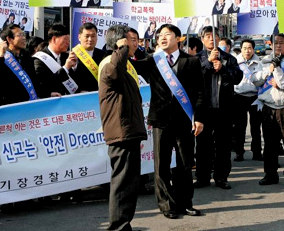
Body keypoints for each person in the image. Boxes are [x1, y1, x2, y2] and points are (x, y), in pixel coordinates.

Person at [136, 24, 205, 219]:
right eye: (160, 35)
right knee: (162, 165)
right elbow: (131, 66)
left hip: (184, 120)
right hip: (160, 120)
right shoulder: (153, 61)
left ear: (179, 38)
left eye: (168, 34)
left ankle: (185, 203)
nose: (163, 38)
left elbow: (200, 91)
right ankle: (166, 205)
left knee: (184, 164)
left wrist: (199, 118)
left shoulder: (191, 61)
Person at [98, 24, 147, 231]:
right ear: (120, 43)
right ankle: (118, 227)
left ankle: (123, 224)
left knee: (129, 183)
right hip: (120, 132)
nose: (134, 44)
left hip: (128, 131)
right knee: (122, 182)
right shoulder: (110, 63)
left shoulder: (124, 63)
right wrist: (121, 49)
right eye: (130, 40)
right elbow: (115, 74)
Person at [194, 26, 243, 189]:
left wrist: (223, 69)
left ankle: (222, 177)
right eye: (207, 36)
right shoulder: (196, 59)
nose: (210, 39)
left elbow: (237, 77)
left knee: (223, 145)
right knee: (203, 145)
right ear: (202, 39)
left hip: (224, 108)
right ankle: (203, 176)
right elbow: (194, 78)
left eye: (214, 36)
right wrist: (208, 63)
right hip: (203, 110)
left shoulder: (229, 59)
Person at [252, 34, 284, 187]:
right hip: (269, 107)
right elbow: (255, 80)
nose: (278, 46)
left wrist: (278, 78)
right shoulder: (264, 60)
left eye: (281, 43)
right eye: (275, 43)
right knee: (270, 144)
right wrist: (267, 71)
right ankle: (270, 174)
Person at [233, 39, 262, 161]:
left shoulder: (259, 62)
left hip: (255, 96)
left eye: (249, 48)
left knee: (256, 127)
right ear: (241, 49)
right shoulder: (235, 61)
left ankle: (256, 152)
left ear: (253, 49)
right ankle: (239, 152)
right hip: (239, 96)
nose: (247, 50)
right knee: (240, 126)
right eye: (244, 48)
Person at [33, 23, 78, 96]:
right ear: (54, 39)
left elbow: (74, 81)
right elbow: (45, 83)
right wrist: (66, 68)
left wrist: (74, 66)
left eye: (69, 40)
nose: (68, 43)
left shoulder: (66, 56)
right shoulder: (39, 60)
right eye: (65, 40)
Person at [70, 22, 105, 93]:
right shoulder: (72, 55)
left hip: (98, 96)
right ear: (79, 37)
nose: (90, 39)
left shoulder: (103, 55)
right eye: (87, 36)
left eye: (93, 36)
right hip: (78, 97)